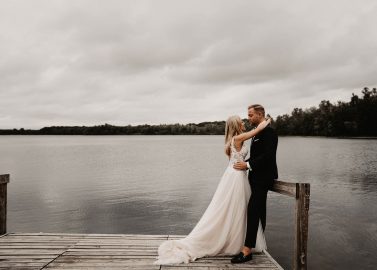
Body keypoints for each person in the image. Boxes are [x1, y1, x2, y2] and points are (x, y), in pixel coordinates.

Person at [153, 114, 270, 265]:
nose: (243, 122)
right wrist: (267, 121)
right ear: (235, 125)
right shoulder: (238, 138)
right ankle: (233, 241)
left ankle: (236, 240)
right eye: (241, 121)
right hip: (236, 178)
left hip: (235, 175)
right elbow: (257, 131)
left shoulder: (231, 140)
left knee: (235, 209)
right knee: (235, 209)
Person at [231, 104, 278, 263]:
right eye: (248, 115)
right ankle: (260, 244)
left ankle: (246, 251)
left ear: (260, 114)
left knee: (253, 210)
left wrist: (248, 165)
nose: (248, 118)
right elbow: (257, 155)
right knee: (259, 211)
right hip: (254, 178)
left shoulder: (270, 132)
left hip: (264, 178)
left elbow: (268, 156)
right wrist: (245, 163)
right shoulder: (258, 132)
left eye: (251, 115)